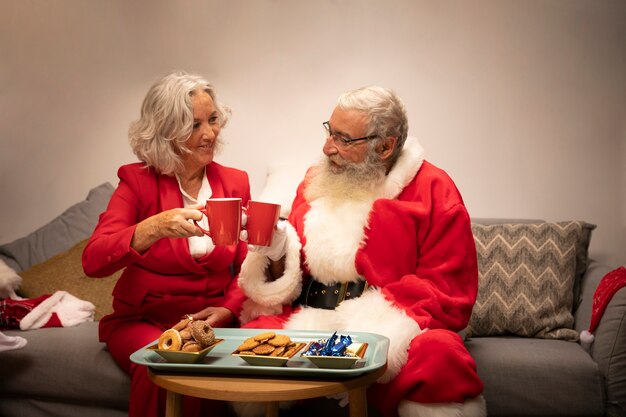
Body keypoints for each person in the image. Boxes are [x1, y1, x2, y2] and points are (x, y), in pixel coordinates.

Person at [237, 86, 486, 417]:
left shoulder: (433, 189)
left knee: (440, 355)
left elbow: (448, 291)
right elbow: (291, 278)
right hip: (309, 320)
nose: (328, 148)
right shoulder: (316, 180)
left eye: (343, 139)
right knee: (248, 343)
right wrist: (278, 250)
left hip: (394, 325)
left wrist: (359, 331)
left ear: (384, 147)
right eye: (329, 131)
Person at [82, 71, 249, 417]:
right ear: (166, 130)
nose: (210, 134)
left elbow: (248, 265)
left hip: (210, 320)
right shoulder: (137, 181)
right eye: (194, 125)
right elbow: (93, 261)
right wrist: (153, 227)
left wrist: (229, 310)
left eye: (213, 120)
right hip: (145, 319)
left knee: (208, 361)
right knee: (164, 361)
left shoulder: (234, 182)